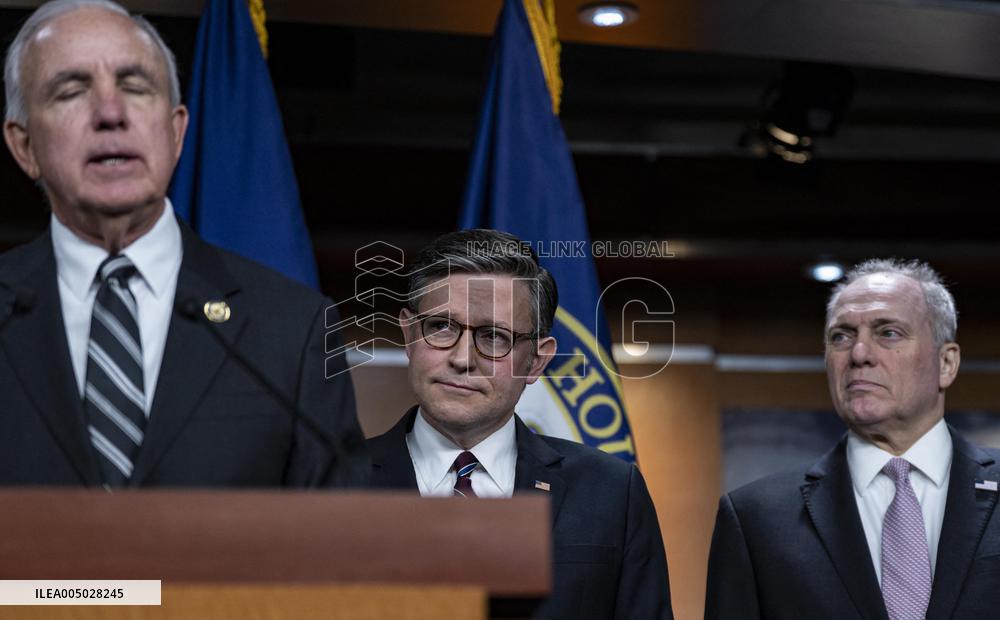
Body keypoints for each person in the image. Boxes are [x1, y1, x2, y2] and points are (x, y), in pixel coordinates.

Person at [0, 0, 365, 487]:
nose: (110, 113)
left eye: (135, 88)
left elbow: (341, 540)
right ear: (24, 146)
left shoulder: (293, 331)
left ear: (175, 133)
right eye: (71, 91)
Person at [367, 228, 672, 619]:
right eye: (441, 327)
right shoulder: (328, 484)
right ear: (410, 335)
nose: (462, 358)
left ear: (537, 361)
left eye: (494, 336)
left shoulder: (612, 493)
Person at [706, 259, 1000, 619]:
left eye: (888, 333)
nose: (859, 354)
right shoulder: (756, 520)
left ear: (946, 364)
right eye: (841, 336)